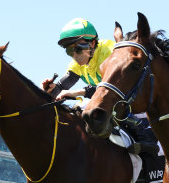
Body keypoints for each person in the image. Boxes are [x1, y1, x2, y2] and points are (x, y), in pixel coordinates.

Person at [42, 17, 158, 155]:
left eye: (78, 49)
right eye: (69, 51)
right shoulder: (76, 65)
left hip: (129, 98)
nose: (74, 55)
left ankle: (146, 135)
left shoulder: (109, 52)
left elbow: (107, 89)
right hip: (110, 99)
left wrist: (75, 93)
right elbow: (61, 88)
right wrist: (50, 90)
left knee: (97, 103)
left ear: (92, 43)